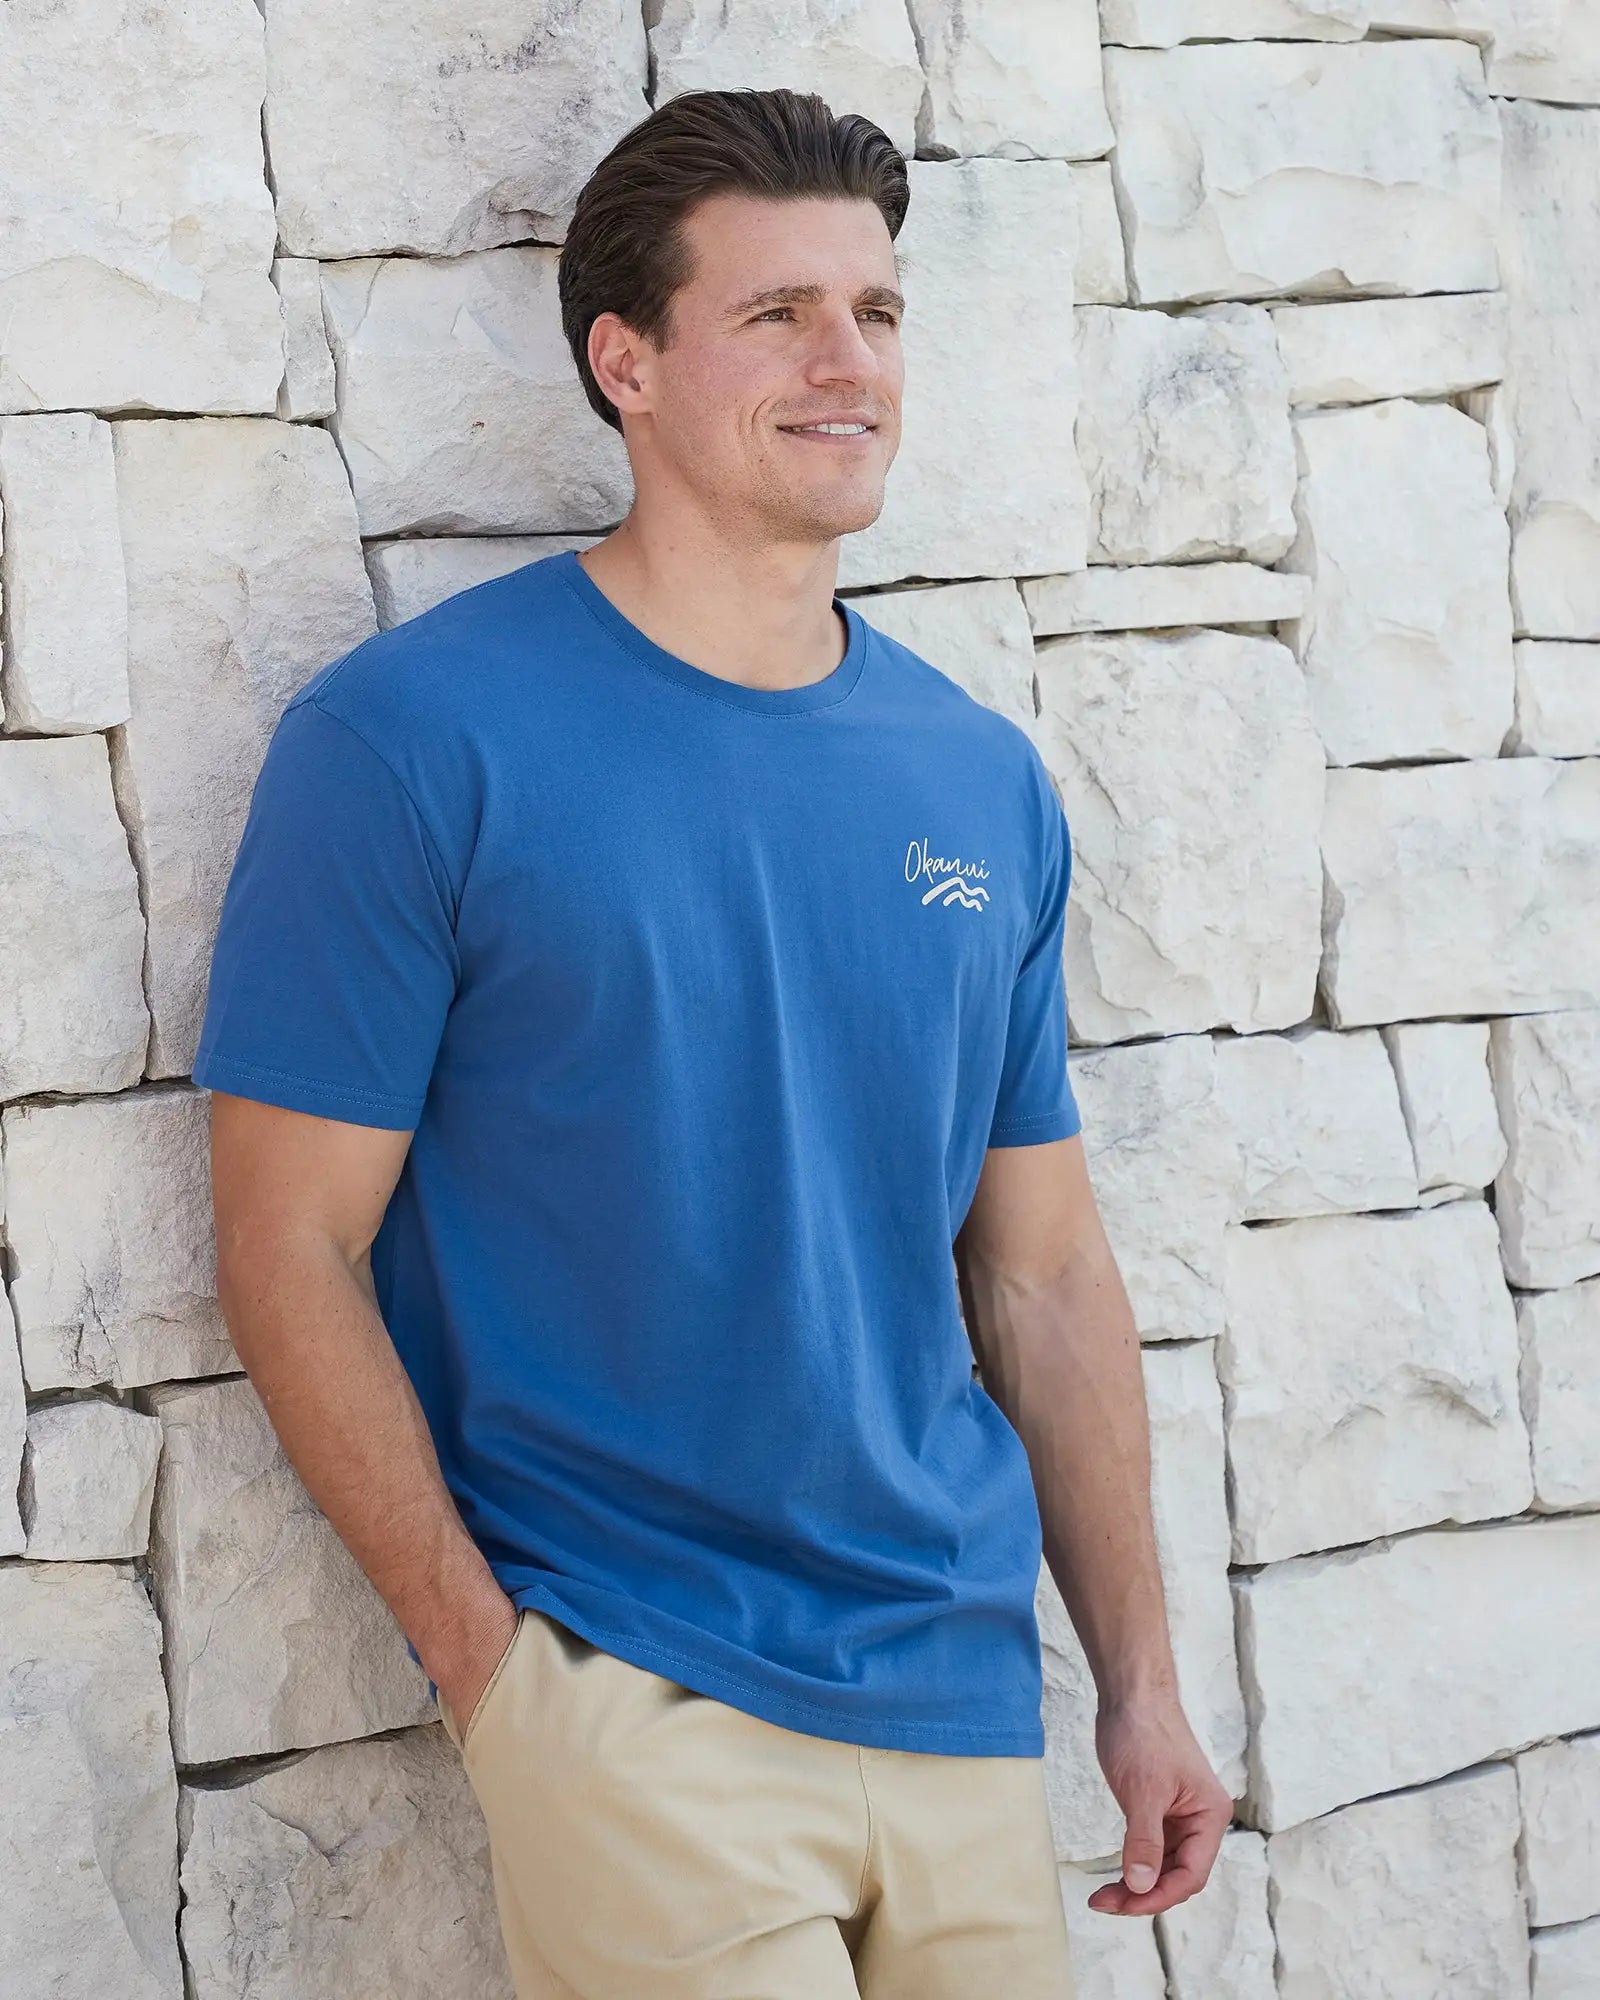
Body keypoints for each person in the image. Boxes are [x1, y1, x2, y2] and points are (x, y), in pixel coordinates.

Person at [195, 85, 1230, 1999]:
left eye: (880, 312)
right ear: (628, 363)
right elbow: (285, 1239)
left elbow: (1045, 1274)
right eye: (777, 315)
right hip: (635, 1695)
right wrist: (490, 1667)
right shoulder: (414, 742)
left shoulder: (977, 780)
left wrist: (1142, 1687)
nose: (850, 364)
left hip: (960, 1703)